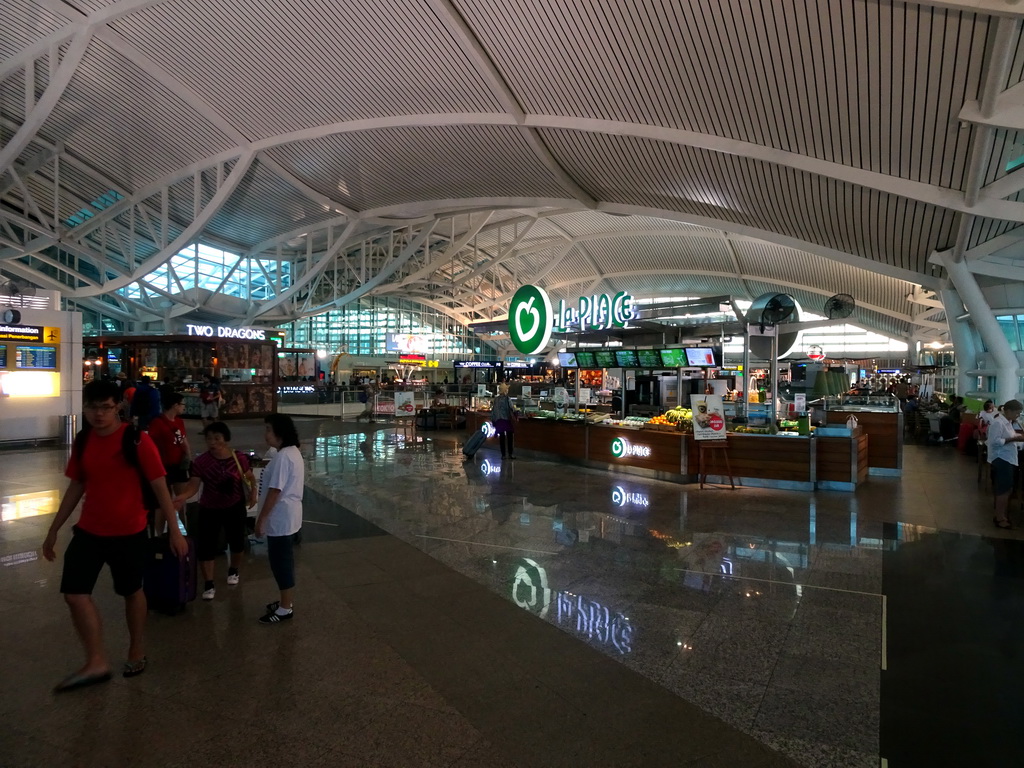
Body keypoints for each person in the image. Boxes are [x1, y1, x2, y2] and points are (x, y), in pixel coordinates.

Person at [42, 379, 188, 692]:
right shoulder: (84, 441)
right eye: (93, 407)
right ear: (85, 407)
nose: (99, 414)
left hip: (129, 532)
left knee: (132, 591)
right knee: (74, 593)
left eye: (106, 407)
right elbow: (77, 486)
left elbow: (160, 486)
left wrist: (175, 530)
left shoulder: (136, 440)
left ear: (118, 406)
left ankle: (137, 648)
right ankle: (96, 660)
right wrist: (53, 528)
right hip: (89, 530)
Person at [175, 422, 256, 600]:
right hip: (209, 508)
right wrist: (183, 496)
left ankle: (234, 570)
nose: (212, 442)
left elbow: (249, 477)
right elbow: (194, 486)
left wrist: (254, 495)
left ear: (226, 439)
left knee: (236, 542)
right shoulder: (201, 462)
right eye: (209, 438)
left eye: (217, 438)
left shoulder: (239, 458)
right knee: (206, 547)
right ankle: (209, 583)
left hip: (234, 506)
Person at [255, 414, 304, 624]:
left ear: (279, 432)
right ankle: (286, 600)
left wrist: (261, 520)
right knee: (284, 561)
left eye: (268, 429)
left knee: (280, 563)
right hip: (289, 515)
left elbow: (275, 491)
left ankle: (285, 608)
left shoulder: (284, 456)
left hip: (280, 517)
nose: (266, 434)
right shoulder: (290, 452)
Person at [987, 399, 1024, 530]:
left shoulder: (1008, 422)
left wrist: (1017, 437)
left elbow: (1011, 436)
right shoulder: (998, 423)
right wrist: (1014, 438)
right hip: (1001, 459)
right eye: (1017, 413)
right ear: (1008, 411)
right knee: (1003, 490)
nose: (1018, 416)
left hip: (1009, 459)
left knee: (1007, 489)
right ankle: (1000, 518)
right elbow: (995, 441)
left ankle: (1001, 515)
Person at [148, 392, 192, 498]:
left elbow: (183, 439)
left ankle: (181, 515)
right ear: (175, 405)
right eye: (183, 404)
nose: (184, 407)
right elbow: (151, 444)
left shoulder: (179, 421)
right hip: (164, 465)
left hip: (179, 464)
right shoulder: (157, 423)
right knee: (165, 496)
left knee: (181, 496)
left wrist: (188, 454)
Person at [490, 382, 517, 460]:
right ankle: (510, 453)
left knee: (502, 438)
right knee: (509, 437)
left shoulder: (496, 399)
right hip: (507, 420)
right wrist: (516, 411)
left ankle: (503, 455)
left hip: (499, 421)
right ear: (505, 391)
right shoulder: (507, 398)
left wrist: (493, 420)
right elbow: (512, 408)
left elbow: (494, 410)